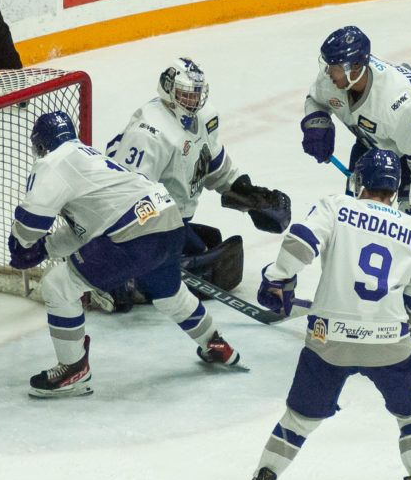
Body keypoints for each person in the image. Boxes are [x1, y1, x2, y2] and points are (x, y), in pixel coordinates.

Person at [233, 148, 411, 480]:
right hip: (389, 342)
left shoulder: (337, 207)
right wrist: (409, 331)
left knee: (298, 419)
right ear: (395, 189)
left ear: (359, 181)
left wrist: (277, 279)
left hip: (326, 338)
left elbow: (299, 243)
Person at [9, 112, 243, 399]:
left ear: (41, 145)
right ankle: (214, 342)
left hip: (133, 234)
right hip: (168, 220)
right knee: (170, 294)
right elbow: (84, 230)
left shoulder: (53, 162)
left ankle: (73, 370)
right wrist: (45, 248)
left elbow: (31, 222)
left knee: (58, 286)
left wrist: (22, 245)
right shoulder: (88, 158)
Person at [98, 57, 291, 310]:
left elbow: (211, 162)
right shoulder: (150, 132)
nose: (193, 101)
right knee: (205, 264)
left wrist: (246, 193)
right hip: (143, 221)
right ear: (168, 90)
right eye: (185, 95)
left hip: (173, 217)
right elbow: (124, 199)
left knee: (210, 245)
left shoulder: (204, 117)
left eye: (196, 94)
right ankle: (121, 277)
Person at [300, 25, 411, 233]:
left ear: (354, 68)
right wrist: (317, 125)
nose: (328, 71)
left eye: (334, 66)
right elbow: (316, 100)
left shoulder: (398, 104)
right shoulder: (331, 81)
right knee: (356, 216)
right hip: (376, 139)